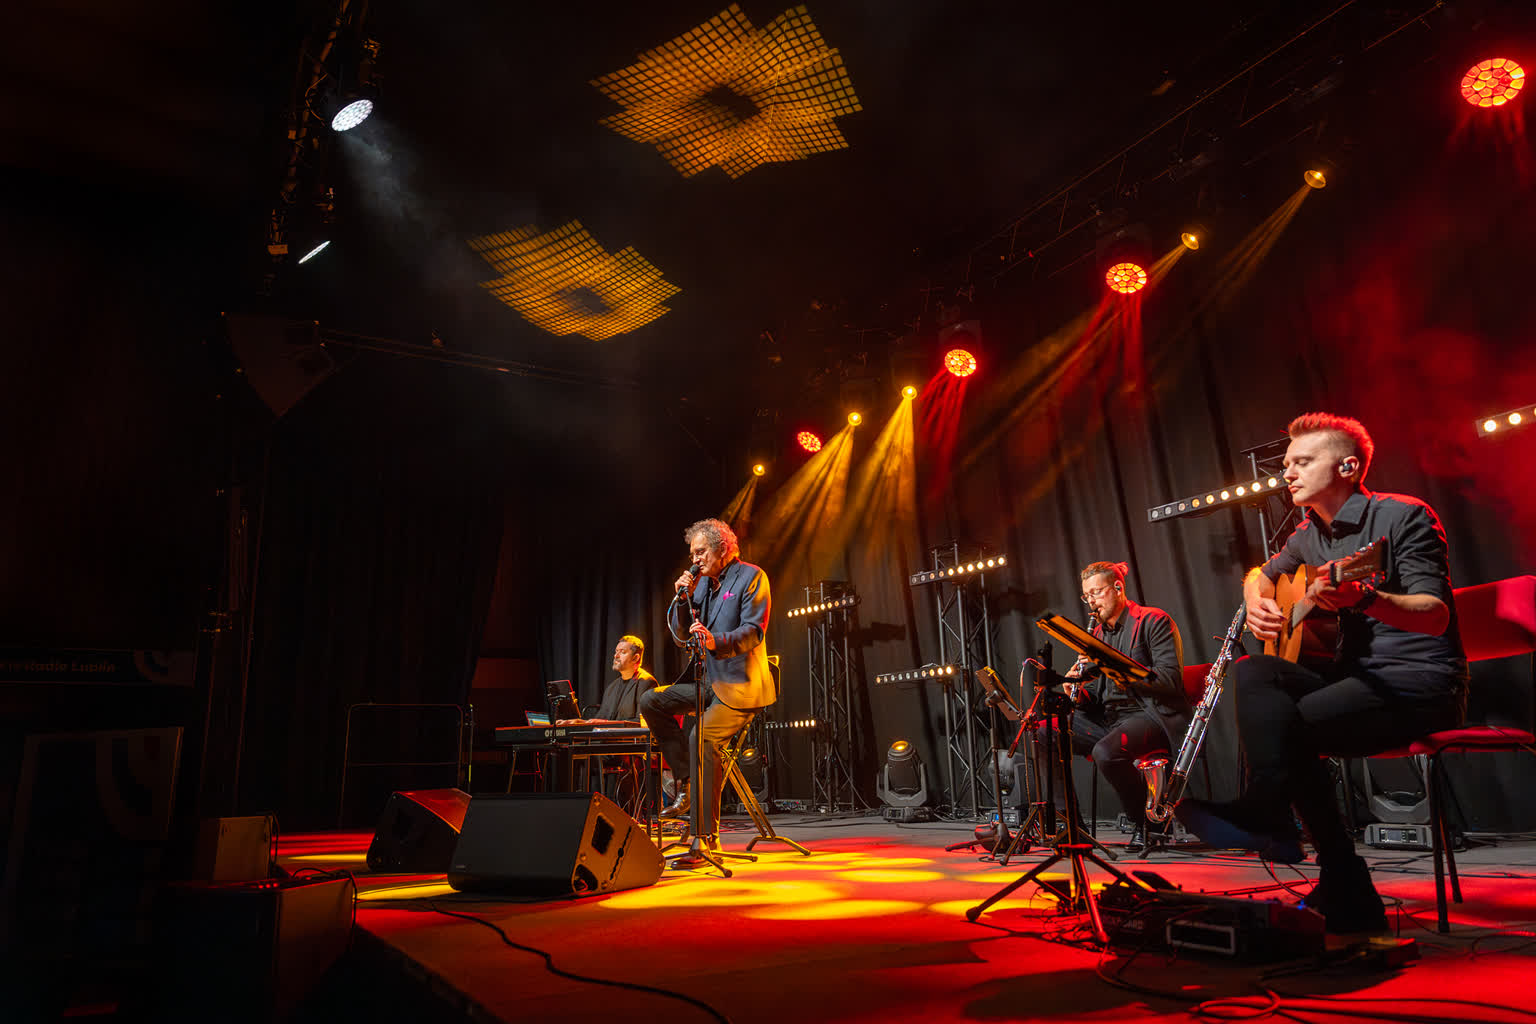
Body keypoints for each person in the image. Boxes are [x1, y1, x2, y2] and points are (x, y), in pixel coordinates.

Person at [1176, 412, 1468, 934]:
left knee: (1289, 724)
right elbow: (1260, 574)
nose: (1287, 473)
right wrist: (1256, 598)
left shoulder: (1404, 516)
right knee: (1254, 671)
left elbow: (1436, 615)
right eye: (1287, 464)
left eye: (1302, 462)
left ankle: (1324, 861)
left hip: (1421, 681)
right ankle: (1294, 835)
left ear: (1348, 467)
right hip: (1352, 679)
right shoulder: (1309, 534)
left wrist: (1367, 597)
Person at [638, 518, 773, 865]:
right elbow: (682, 635)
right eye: (692, 554)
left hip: (740, 685)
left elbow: (754, 630)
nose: (695, 559)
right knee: (651, 700)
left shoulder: (751, 576)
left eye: (700, 552)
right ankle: (685, 783)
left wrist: (717, 642)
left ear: (722, 548)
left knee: (702, 737)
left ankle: (705, 840)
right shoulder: (701, 586)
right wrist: (683, 598)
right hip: (708, 683)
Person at [1037, 560, 1188, 855]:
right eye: (1087, 596)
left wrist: (1112, 665)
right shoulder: (1096, 635)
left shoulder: (1153, 620)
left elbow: (1169, 680)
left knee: (1105, 752)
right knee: (1044, 733)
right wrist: (1078, 691)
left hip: (1151, 715)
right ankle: (1072, 828)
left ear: (1118, 587)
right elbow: (1096, 695)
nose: (1091, 602)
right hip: (1110, 719)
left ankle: (1148, 824)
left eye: (1096, 592)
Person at [557, 636, 657, 725]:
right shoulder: (612, 687)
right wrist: (579, 723)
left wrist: (604, 723)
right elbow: (599, 720)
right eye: (616, 651)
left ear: (635, 658)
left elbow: (643, 723)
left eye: (622, 652)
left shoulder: (646, 683)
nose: (616, 656)